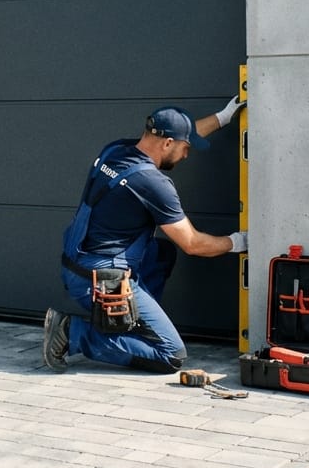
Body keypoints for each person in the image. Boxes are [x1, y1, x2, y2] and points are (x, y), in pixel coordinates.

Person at [41, 98, 246, 373]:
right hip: (99, 279)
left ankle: (133, 321)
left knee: (162, 253)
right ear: (167, 144)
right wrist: (241, 242)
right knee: (171, 354)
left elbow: (182, 133)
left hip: (76, 261)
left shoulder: (116, 150)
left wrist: (223, 117)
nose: (187, 155)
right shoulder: (153, 184)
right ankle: (72, 332)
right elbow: (194, 244)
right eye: (185, 148)